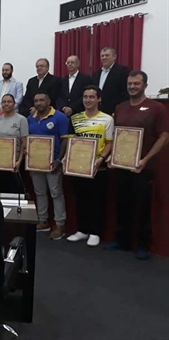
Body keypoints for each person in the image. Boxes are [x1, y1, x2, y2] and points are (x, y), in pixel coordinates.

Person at [106, 71, 169, 260]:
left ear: (145, 86)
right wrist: (112, 157)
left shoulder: (156, 108)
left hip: (143, 167)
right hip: (121, 165)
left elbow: (164, 136)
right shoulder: (120, 107)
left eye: (136, 84)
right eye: (130, 84)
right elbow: (117, 135)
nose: (132, 87)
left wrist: (145, 160)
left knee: (142, 207)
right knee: (122, 204)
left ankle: (142, 245)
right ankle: (122, 241)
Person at [66, 86, 114, 247]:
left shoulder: (107, 119)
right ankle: (82, 230)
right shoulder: (75, 118)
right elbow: (72, 142)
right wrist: (68, 158)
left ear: (99, 99)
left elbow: (109, 143)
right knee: (80, 199)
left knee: (97, 201)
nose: (88, 100)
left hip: (97, 167)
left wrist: (101, 158)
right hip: (79, 166)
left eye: (92, 97)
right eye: (85, 97)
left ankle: (95, 232)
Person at [27, 92, 69, 240]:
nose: (39, 103)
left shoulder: (60, 117)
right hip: (35, 163)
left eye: (41, 100)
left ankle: (59, 225)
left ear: (49, 101)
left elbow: (64, 140)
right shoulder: (30, 118)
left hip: (53, 163)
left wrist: (59, 160)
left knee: (56, 193)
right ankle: (43, 220)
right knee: (39, 193)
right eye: (36, 101)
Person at [0, 94, 28, 193]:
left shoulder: (21, 119)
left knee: (13, 193)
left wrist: (19, 161)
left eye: (9, 102)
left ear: (14, 104)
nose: (6, 104)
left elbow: (24, 143)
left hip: (14, 164)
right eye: (4, 102)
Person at [91, 47, 130, 115]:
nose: (104, 57)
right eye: (102, 56)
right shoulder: (96, 74)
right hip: (97, 111)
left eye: (107, 55)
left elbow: (125, 93)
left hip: (114, 111)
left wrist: (119, 110)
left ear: (114, 56)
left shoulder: (122, 71)